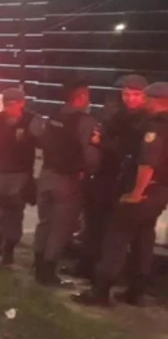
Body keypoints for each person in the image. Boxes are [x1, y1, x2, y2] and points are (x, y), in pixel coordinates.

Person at [72, 82, 168, 307]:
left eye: (144, 98)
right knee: (144, 238)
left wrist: (136, 192)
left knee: (116, 238)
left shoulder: (154, 128)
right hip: (161, 192)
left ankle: (101, 292)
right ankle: (136, 292)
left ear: (155, 100)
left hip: (144, 191)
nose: (140, 102)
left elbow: (147, 163)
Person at [65, 74, 149, 279]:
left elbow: (131, 150)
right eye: (126, 94)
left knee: (119, 232)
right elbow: (101, 135)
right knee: (94, 222)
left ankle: (110, 275)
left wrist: (103, 143)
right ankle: (86, 266)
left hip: (126, 179)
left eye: (136, 94)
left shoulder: (146, 120)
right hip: (105, 176)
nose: (130, 99)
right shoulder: (116, 114)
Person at [31, 79, 101, 286]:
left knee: (45, 223)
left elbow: (41, 141)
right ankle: (48, 272)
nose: (89, 101)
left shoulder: (53, 117)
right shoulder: (86, 121)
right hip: (68, 181)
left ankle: (38, 264)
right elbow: (91, 156)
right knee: (61, 227)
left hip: (46, 176)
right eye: (87, 97)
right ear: (80, 98)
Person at [0, 87, 36, 265]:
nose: (9, 108)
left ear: (22, 103)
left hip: (20, 174)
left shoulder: (31, 121)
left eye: (13, 104)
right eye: (6, 104)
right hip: (0, 172)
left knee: (15, 213)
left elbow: (40, 148)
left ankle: (9, 249)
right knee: (0, 211)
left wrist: (35, 178)